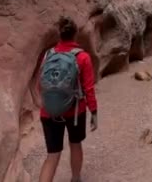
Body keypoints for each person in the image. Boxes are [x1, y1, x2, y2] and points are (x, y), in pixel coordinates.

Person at [39, 16, 98, 182]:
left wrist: (49, 104)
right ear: (75, 34)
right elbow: (89, 88)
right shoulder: (82, 57)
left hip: (49, 112)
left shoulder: (47, 55)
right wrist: (94, 111)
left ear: (60, 34)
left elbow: (40, 84)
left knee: (52, 155)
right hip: (75, 112)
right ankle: (76, 178)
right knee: (75, 144)